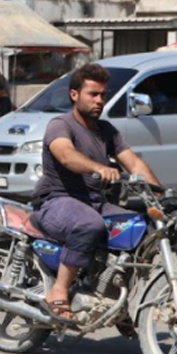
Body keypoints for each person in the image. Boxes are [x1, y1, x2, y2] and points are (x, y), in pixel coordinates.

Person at [31, 63, 159, 324]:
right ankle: (58, 291)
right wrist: (99, 168)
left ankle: (114, 298)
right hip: (57, 200)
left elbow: (134, 164)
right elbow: (66, 155)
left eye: (103, 94)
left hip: (96, 201)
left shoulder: (107, 131)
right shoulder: (60, 125)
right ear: (74, 95)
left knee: (142, 228)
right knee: (89, 224)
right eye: (93, 94)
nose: (100, 100)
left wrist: (160, 196)